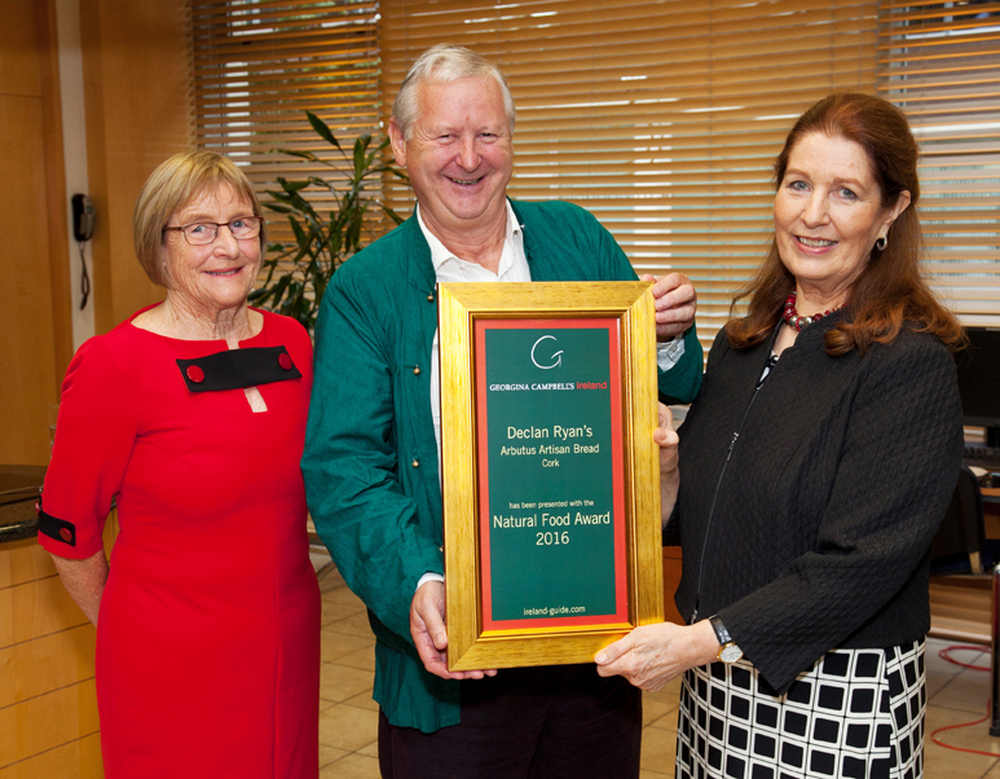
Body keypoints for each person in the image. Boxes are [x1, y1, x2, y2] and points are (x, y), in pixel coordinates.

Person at [302, 44, 702, 778]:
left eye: (487, 134)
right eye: (444, 136)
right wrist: (419, 582)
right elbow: (343, 469)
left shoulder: (576, 238)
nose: (468, 158)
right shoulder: (365, 290)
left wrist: (667, 335)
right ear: (399, 143)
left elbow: (671, 385)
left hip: (590, 655)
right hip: (453, 674)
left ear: (511, 142)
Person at [595, 92, 966, 778]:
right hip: (719, 686)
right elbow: (706, 522)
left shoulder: (910, 362)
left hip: (835, 697)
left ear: (890, 211)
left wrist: (694, 645)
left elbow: (859, 565)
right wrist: (671, 476)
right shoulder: (744, 343)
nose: (812, 213)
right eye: (798, 184)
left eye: (846, 192)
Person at [37, 151, 320, 778]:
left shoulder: (291, 342)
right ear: (158, 247)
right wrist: (131, 630)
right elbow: (67, 532)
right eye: (199, 228)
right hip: (168, 658)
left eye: (242, 224)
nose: (227, 245)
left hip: (285, 642)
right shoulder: (115, 366)